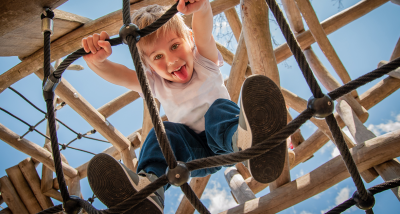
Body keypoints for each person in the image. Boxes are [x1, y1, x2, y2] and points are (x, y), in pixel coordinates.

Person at [82, 0, 287, 213]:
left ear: (189, 40)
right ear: (148, 67)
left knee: (218, 111)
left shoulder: (203, 62)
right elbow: (122, 76)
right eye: (158, 57)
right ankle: (150, 189)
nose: (172, 60)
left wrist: (202, 7)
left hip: (226, 140)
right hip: (192, 153)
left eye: (174, 46)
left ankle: (249, 141)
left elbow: (203, 32)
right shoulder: (154, 83)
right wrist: (99, 63)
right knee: (162, 134)